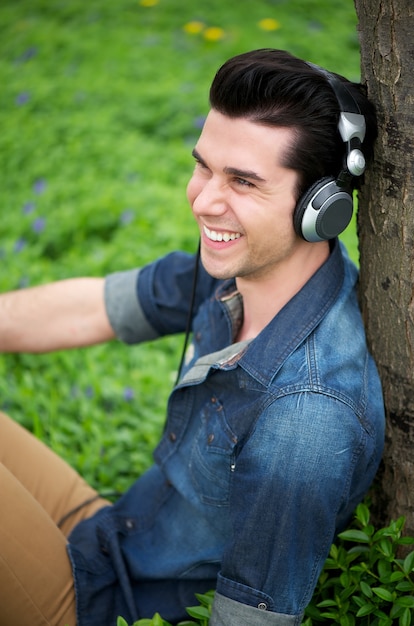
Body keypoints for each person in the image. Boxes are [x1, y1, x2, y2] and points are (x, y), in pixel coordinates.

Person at [0, 48, 384, 626]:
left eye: (243, 182)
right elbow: (90, 309)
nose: (204, 200)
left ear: (320, 209)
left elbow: (250, 620)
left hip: (102, 609)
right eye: (204, 166)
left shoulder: (305, 422)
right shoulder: (239, 270)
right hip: (116, 538)